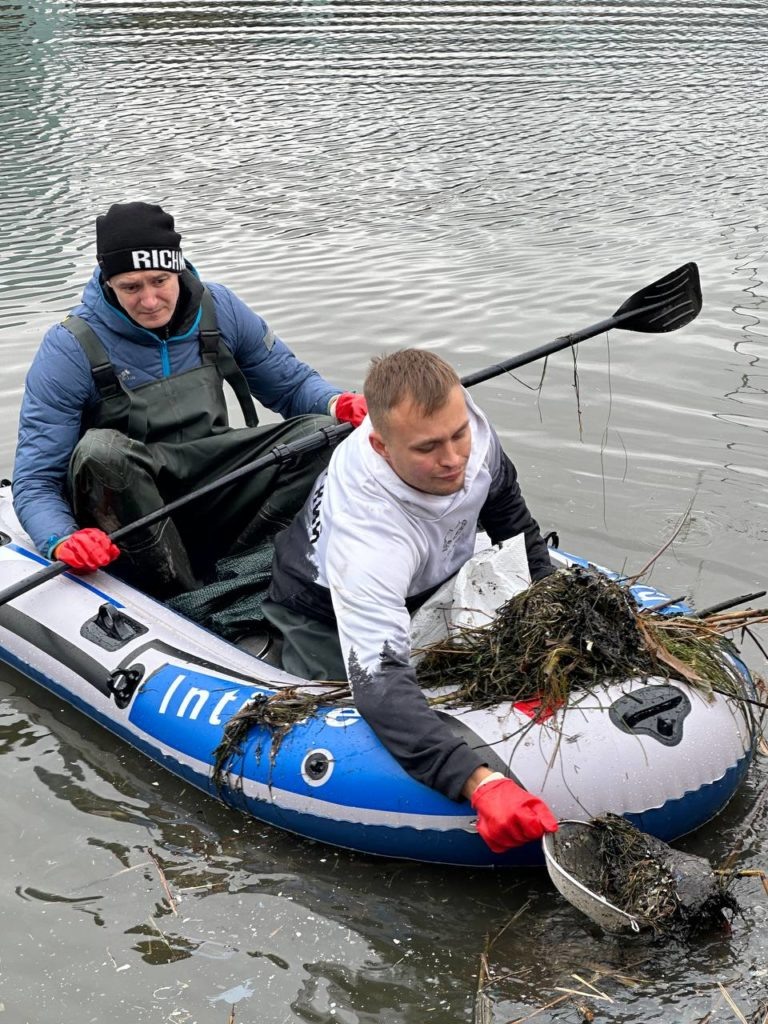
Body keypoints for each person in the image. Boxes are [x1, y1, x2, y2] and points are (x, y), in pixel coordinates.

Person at [262, 348, 558, 854]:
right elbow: (379, 686)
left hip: (431, 577)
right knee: (348, 694)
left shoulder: (473, 436)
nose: (452, 459)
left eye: (457, 435)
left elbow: (516, 528)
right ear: (380, 445)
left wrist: (555, 626)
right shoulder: (369, 539)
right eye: (428, 448)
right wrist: (478, 781)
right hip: (319, 607)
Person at [12, 201, 367, 597]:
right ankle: (184, 597)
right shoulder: (68, 348)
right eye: (131, 287)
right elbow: (35, 479)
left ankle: (242, 572)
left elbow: (292, 386)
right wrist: (61, 538)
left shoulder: (221, 308)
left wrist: (338, 403)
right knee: (100, 451)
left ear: (178, 269)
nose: (149, 300)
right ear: (108, 283)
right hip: (127, 508)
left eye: (160, 280)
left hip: (214, 479)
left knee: (324, 433)